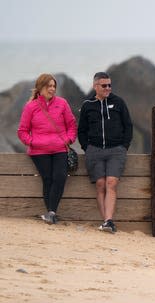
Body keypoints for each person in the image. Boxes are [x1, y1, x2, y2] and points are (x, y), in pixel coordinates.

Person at [17, 73, 77, 225]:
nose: (52, 89)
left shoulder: (62, 103)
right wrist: (33, 142)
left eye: (53, 86)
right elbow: (22, 131)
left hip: (60, 149)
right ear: (40, 88)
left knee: (60, 177)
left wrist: (68, 139)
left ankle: (51, 212)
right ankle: (51, 213)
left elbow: (72, 125)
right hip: (39, 151)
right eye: (49, 86)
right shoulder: (31, 106)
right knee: (48, 179)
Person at [78, 72, 133, 233]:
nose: (108, 88)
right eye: (104, 85)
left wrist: (124, 146)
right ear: (95, 86)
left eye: (110, 85)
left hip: (116, 150)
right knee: (100, 185)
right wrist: (86, 147)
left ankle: (108, 221)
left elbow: (128, 126)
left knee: (111, 183)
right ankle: (106, 222)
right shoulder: (88, 105)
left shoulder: (119, 103)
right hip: (94, 151)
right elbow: (81, 130)